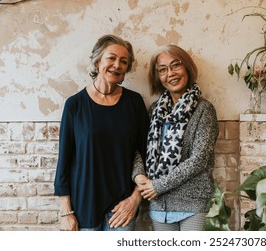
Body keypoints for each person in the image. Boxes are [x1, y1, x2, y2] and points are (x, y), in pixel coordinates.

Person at [54, 34, 149, 231]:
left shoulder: (134, 103)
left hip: (122, 208)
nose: (117, 65)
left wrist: (135, 199)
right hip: (84, 207)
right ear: (98, 62)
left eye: (124, 61)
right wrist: (66, 212)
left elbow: (147, 156)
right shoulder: (75, 105)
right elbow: (64, 161)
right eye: (111, 58)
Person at [135, 44, 219, 231]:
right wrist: (138, 175)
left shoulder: (204, 110)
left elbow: (199, 159)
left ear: (187, 67)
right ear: (158, 76)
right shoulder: (154, 110)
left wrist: (158, 185)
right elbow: (139, 148)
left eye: (176, 65)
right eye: (163, 70)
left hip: (192, 204)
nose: (170, 73)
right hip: (159, 206)